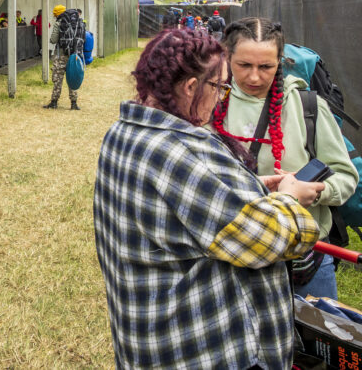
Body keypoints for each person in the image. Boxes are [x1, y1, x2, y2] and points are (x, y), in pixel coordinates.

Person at [94, 29, 322, 369]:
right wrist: (290, 198)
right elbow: (268, 239)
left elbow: (174, 205)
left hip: (149, 338)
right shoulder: (183, 151)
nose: (221, 97)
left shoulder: (125, 132)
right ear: (190, 87)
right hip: (204, 350)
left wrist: (246, 186)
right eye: (219, 87)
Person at [212, 17, 358, 299]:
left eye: (266, 66)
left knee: (316, 341)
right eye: (244, 65)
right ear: (227, 57)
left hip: (307, 259)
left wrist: (314, 193)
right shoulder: (211, 103)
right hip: (234, 257)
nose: (255, 77)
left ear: (281, 60)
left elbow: (346, 176)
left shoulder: (308, 107)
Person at [45, 5, 80, 110]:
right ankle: (74, 103)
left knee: (58, 78)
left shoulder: (59, 23)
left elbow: (53, 40)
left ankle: (54, 102)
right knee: (72, 77)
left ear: (57, 14)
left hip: (61, 55)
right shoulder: (76, 23)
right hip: (74, 55)